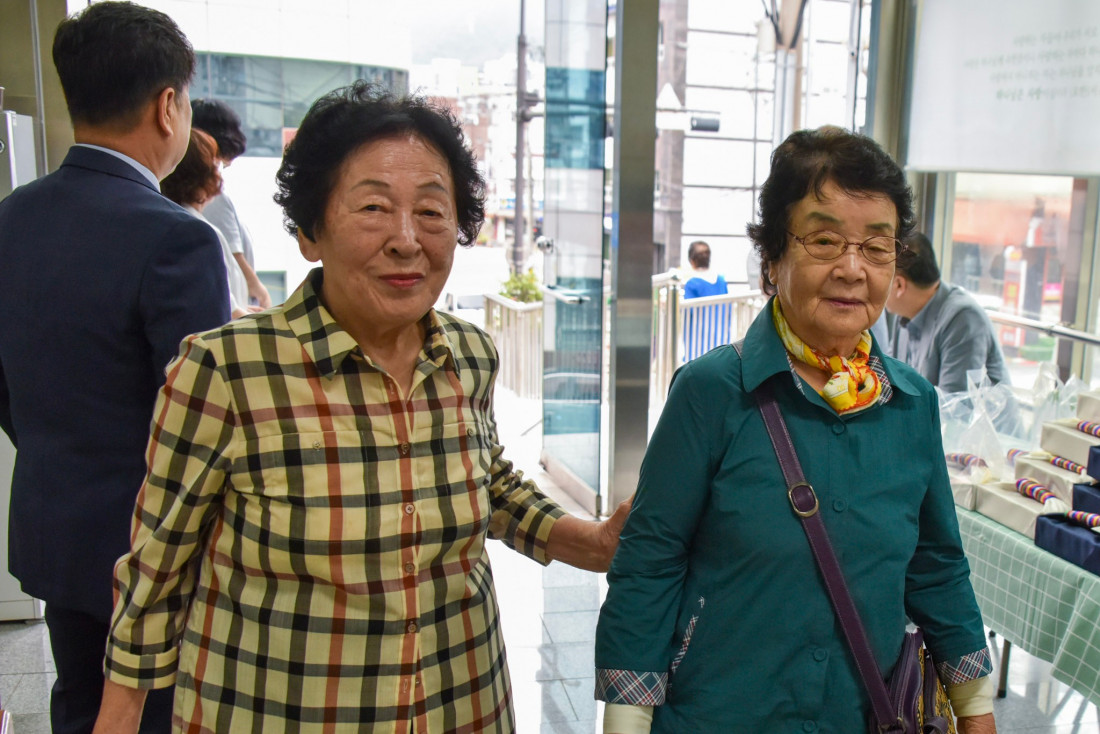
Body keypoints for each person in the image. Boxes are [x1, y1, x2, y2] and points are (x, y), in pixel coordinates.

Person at [92, 82, 630, 733]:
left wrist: (591, 542)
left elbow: (486, 480)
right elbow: (157, 572)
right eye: (374, 207)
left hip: (460, 704)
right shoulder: (227, 370)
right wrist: (118, 719)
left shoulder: (468, 355)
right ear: (309, 231)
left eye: (432, 211)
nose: (406, 239)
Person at [595, 126, 996, 734]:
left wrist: (975, 709)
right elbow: (650, 561)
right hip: (718, 716)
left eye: (876, 247)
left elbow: (937, 566)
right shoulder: (711, 392)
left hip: (860, 717)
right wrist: (627, 720)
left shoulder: (912, 405)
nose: (852, 269)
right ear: (772, 258)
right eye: (825, 240)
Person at [0, 3, 229, 733]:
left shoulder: (11, 217)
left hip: (51, 526)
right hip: (147, 550)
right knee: (153, 714)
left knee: (78, 701)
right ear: (168, 107)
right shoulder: (176, 238)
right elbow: (204, 421)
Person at [886, 231, 1011, 394]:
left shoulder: (963, 318)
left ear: (899, 285)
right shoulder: (904, 312)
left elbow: (954, 402)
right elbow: (888, 377)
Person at [161, 128, 254, 319]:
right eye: (217, 164)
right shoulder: (198, 232)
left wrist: (247, 312)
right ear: (202, 176)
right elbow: (226, 312)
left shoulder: (173, 220)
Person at [190, 98, 273, 308]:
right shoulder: (212, 202)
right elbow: (235, 256)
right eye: (220, 165)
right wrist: (257, 289)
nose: (218, 178)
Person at [681, 241, 731, 360]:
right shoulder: (721, 280)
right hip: (721, 340)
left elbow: (689, 312)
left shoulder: (692, 283)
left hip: (698, 345)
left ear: (692, 261)